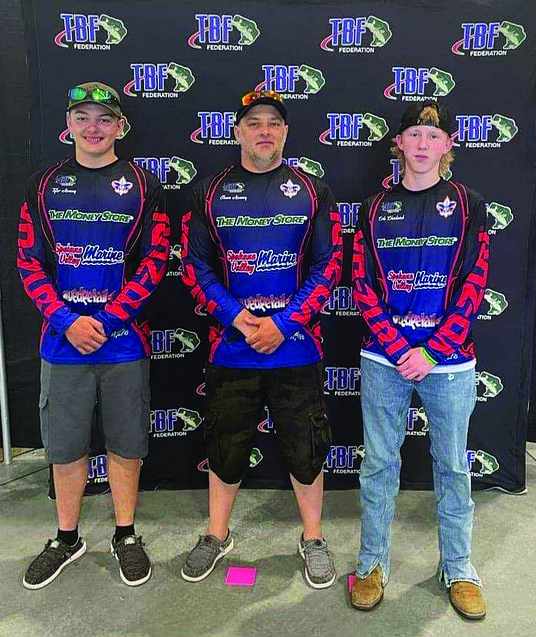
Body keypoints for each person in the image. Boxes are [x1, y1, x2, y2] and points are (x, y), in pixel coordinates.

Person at [180, 89, 343, 588]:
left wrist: (285, 322)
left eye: (273, 122)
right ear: (237, 132)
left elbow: (329, 264)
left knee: (305, 447)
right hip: (233, 349)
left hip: (295, 348)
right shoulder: (208, 191)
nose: (264, 131)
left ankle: (312, 537)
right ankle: (216, 534)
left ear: (286, 133)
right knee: (225, 448)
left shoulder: (314, 190)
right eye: (253, 123)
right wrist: (236, 316)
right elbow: (194, 265)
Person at [17, 82, 170, 589]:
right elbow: (28, 262)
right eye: (82, 116)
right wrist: (67, 320)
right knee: (65, 448)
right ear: (69, 125)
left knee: (127, 445)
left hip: (123, 341)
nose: (93, 127)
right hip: (63, 344)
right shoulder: (43, 186)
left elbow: (154, 262)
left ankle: (125, 534)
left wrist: (106, 320)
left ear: (120, 127)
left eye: (104, 118)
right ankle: (66, 538)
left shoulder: (145, 186)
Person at [350, 100, 489, 619]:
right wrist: (398, 346)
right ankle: (371, 563)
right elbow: (362, 285)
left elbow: (475, 284)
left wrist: (431, 349)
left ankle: (459, 567)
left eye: (434, 136)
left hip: (448, 362)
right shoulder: (372, 208)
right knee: (379, 465)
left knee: (453, 466)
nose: (424, 144)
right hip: (385, 359)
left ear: (448, 145)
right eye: (414, 135)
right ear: (400, 145)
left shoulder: (470, 204)